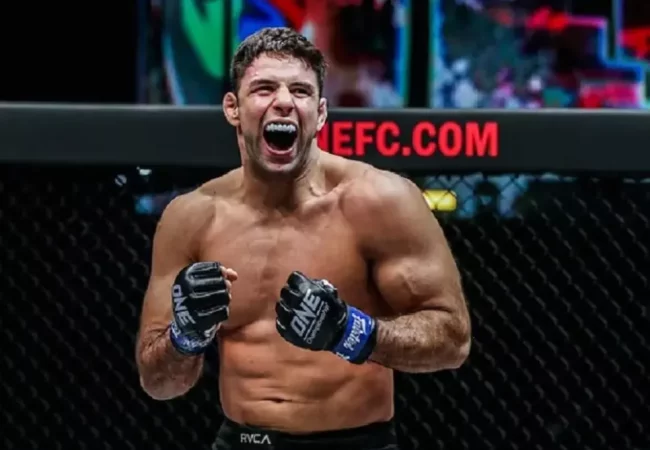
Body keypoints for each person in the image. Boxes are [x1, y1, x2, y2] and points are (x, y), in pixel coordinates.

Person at [135, 27, 471, 450]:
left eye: (300, 90)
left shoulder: (379, 201)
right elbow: (159, 383)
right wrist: (186, 336)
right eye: (264, 89)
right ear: (233, 108)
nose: (283, 102)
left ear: (321, 112)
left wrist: (349, 331)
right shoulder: (192, 217)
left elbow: (453, 340)